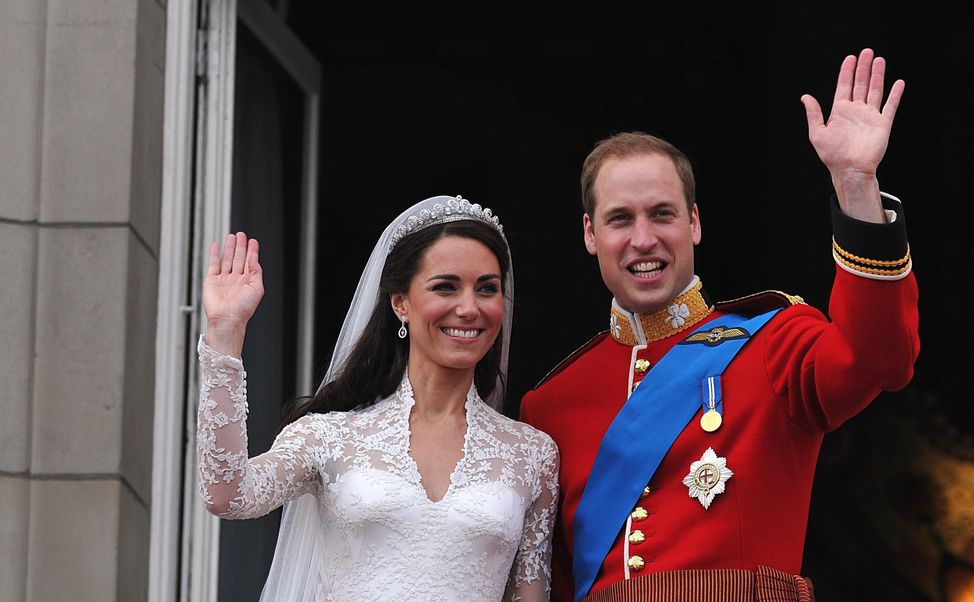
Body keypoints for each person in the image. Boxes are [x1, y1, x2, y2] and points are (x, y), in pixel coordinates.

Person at [520, 49, 919, 601]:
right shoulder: (550, 405)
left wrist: (855, 185)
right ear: (590, 234)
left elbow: (880, 357)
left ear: (694, 223)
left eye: (662, 214)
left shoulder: (774, 342)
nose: (643, 239)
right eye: (620, 219)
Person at [197, 196, 559, 601]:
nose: (469, 307)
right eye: (446, 286)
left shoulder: (532, 455)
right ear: (400, 302)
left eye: (487, 289)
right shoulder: (328, 436)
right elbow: (228, 494)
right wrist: (225, 333)